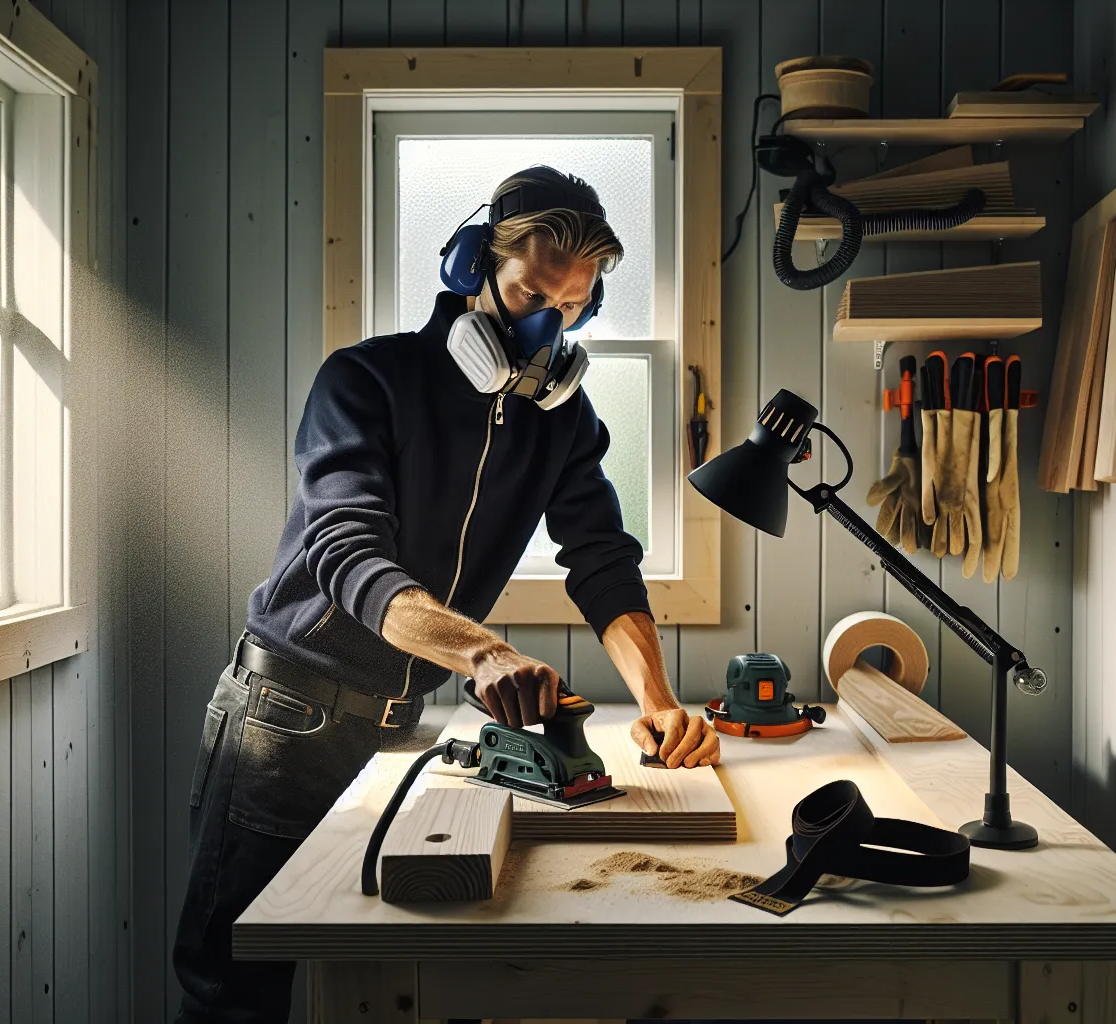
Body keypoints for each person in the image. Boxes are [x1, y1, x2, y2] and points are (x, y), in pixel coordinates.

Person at [172, 165, 721, 1021]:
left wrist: (658, 699)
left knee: (383, 967)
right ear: (473, 271)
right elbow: (347, 555)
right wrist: (486, 653)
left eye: (573, 305)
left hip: (404, 719)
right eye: (532, 291)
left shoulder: (563, 420)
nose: (549, 322)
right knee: (234, 984)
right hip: (287, 713)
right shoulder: (365, 381)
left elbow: (603, 560)